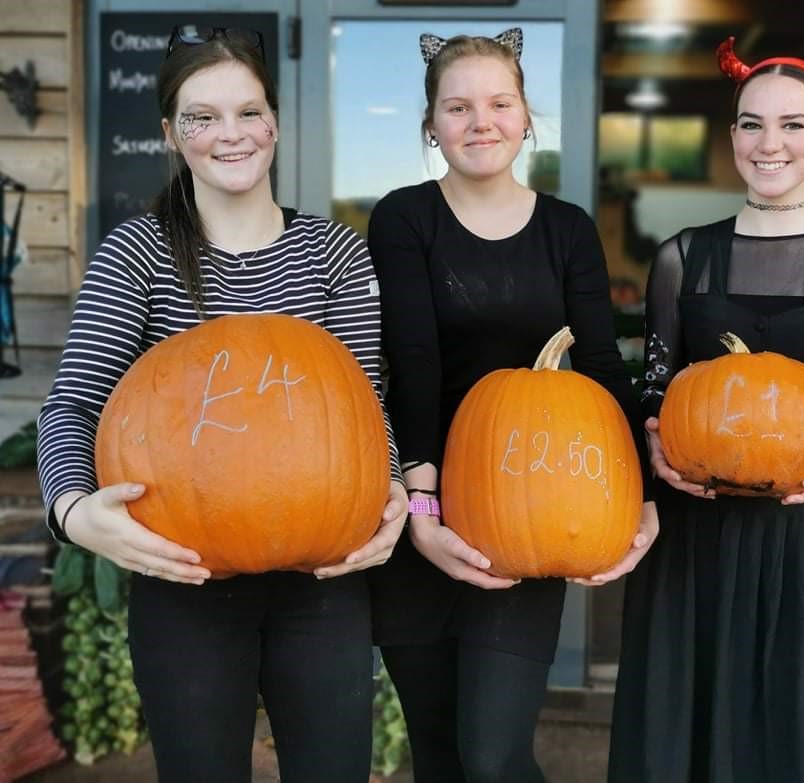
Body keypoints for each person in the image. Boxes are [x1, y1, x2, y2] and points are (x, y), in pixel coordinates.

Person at [36, 25, 407, 783]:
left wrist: (395, 489)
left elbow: (366, 407)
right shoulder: (138, 254)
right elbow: (72, 402)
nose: (229, 134)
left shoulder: (337, 254)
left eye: (248, 112)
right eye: (203, 116)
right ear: (172, 133)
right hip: (185, 578)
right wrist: (73, 510)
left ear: (274, 120)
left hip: (323, 578)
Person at [608, 33, 804, 783]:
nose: (768, 143)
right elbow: (656, 385)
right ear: (733, 133)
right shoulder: (683, 257)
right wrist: (653, 439)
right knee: (690, 739)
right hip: (696, 536)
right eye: (751, 123)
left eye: (791, 124)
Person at [365, 28, 659, 783]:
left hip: (523, 512)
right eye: (457, 107)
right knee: (436, 752)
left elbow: (597, 365)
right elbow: (415, 359)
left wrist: (643, 496)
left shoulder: (567, 230)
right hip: (420, 518)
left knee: (493, 757)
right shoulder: (404, 219)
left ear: (527, 116)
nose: (480, 121)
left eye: (500, 102)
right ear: (431, 124)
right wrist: (424, 512)